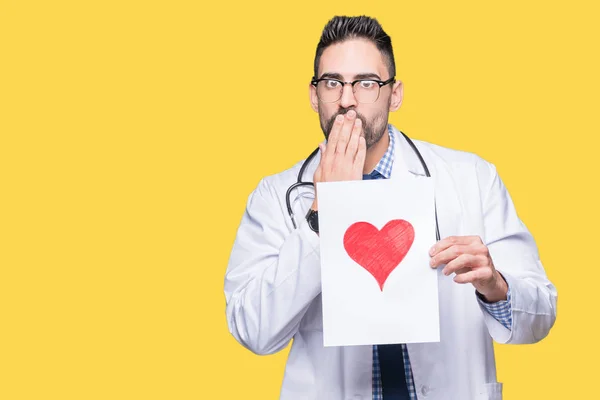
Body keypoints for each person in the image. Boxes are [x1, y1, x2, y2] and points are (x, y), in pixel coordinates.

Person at [223, 15, 557, 400]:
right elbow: (253, 330)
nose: (347, 99)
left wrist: (495, 287)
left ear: (394, 94)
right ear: (314, 95)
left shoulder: (472, 178)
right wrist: (320, 216)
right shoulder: (274, 196)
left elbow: (541, 315)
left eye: (366, 83)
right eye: (333, 83)